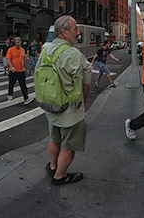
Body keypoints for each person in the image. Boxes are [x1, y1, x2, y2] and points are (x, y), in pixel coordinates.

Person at [42, 15, 91, 185]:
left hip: (51, 105)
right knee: (69, 144)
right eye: (75, 29)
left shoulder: (45, 50)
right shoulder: (73, 54)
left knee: (54, 137)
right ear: (64, 32)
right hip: (70, 111)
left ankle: (53, 165)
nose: (78, 33)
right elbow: (85, 83)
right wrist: (84, 102)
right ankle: (60, 176)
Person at [6, 37, 33, 105]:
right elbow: (8, 60)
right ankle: (10, 94)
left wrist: (25, 68)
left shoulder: (22, 50)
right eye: (18, 42)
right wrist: (11, 67)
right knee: (11, 84)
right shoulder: (10, 50)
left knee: (23, 85)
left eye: (20, 42)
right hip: (13, 71)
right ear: (14, 43)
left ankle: (26, 98)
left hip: (21, 70)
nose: (19, 43)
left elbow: (23, 59)